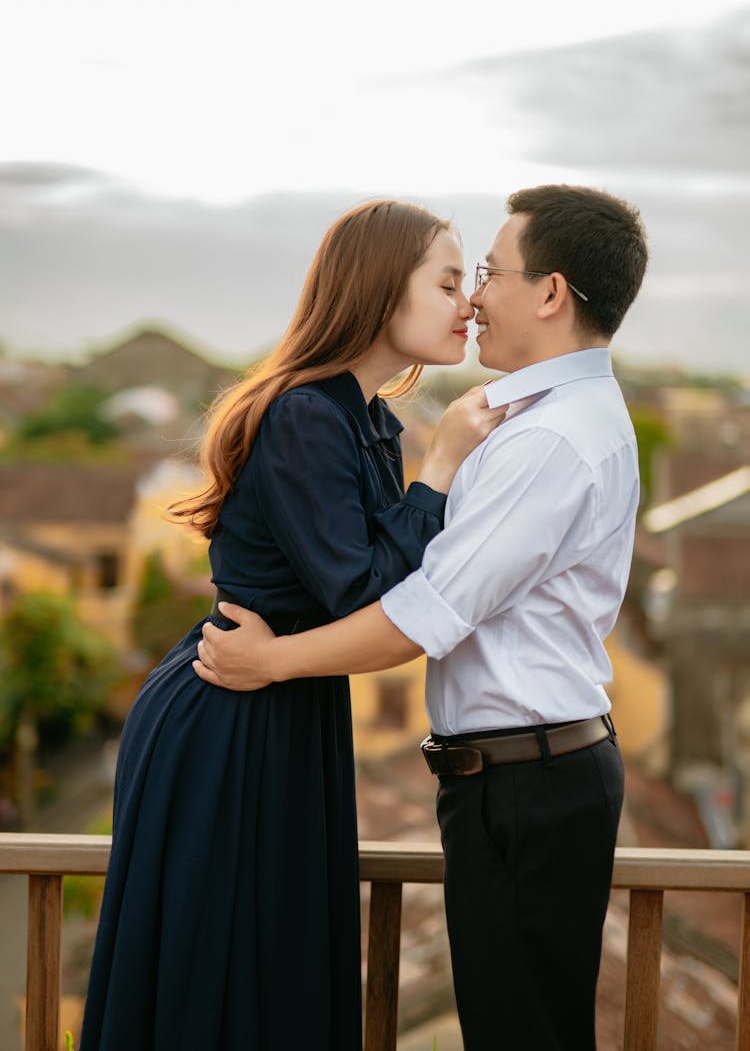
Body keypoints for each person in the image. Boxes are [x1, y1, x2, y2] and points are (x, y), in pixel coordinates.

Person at [195, 184, 649, 1051]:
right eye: (457, 278)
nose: (475, 296)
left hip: (526, 780)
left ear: (550, 292)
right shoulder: (531, 420)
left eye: (484, 273)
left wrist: (273, 662)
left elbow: (419, 615)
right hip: (520, 774)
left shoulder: (548, 439)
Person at [79, 199, 507, 1051]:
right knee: (225, 959)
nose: (468, 302)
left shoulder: (365, 419)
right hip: (228, 709)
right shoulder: (306, 414)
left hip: (282, 699)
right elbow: (364, 592)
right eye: (449, 281)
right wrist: (445, 468)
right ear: (383, 290)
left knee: (271, 955)